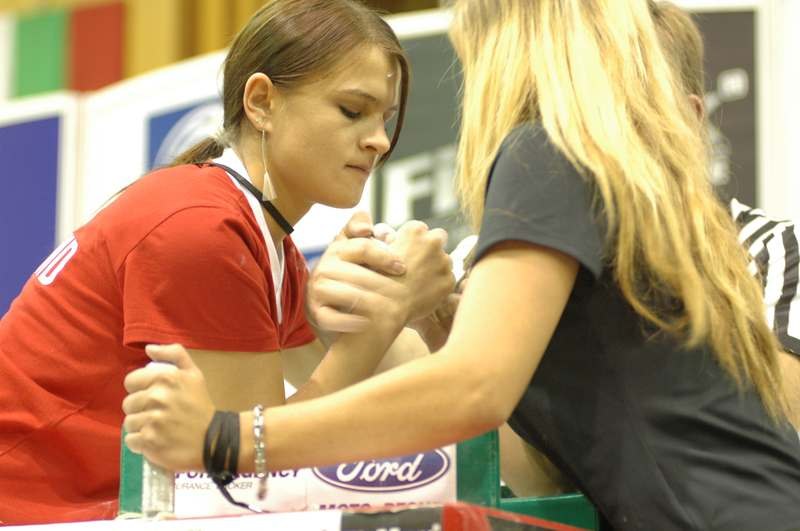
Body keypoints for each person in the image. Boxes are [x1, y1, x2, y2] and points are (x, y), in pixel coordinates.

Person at [123, 1, 800, 529]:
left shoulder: (547, 152)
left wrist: (230, 436)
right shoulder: (632, 190)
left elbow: (473, 387)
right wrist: (437, 319)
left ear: (504, 48)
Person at [0, 0, 453, 524]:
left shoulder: (258, 236)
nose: (377, 140)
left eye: (385, 119)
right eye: (353, 111)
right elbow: (253, 474)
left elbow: (328, 410)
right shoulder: (201, 228)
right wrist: (380, 320)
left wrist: (419, 314)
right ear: (261, 101)